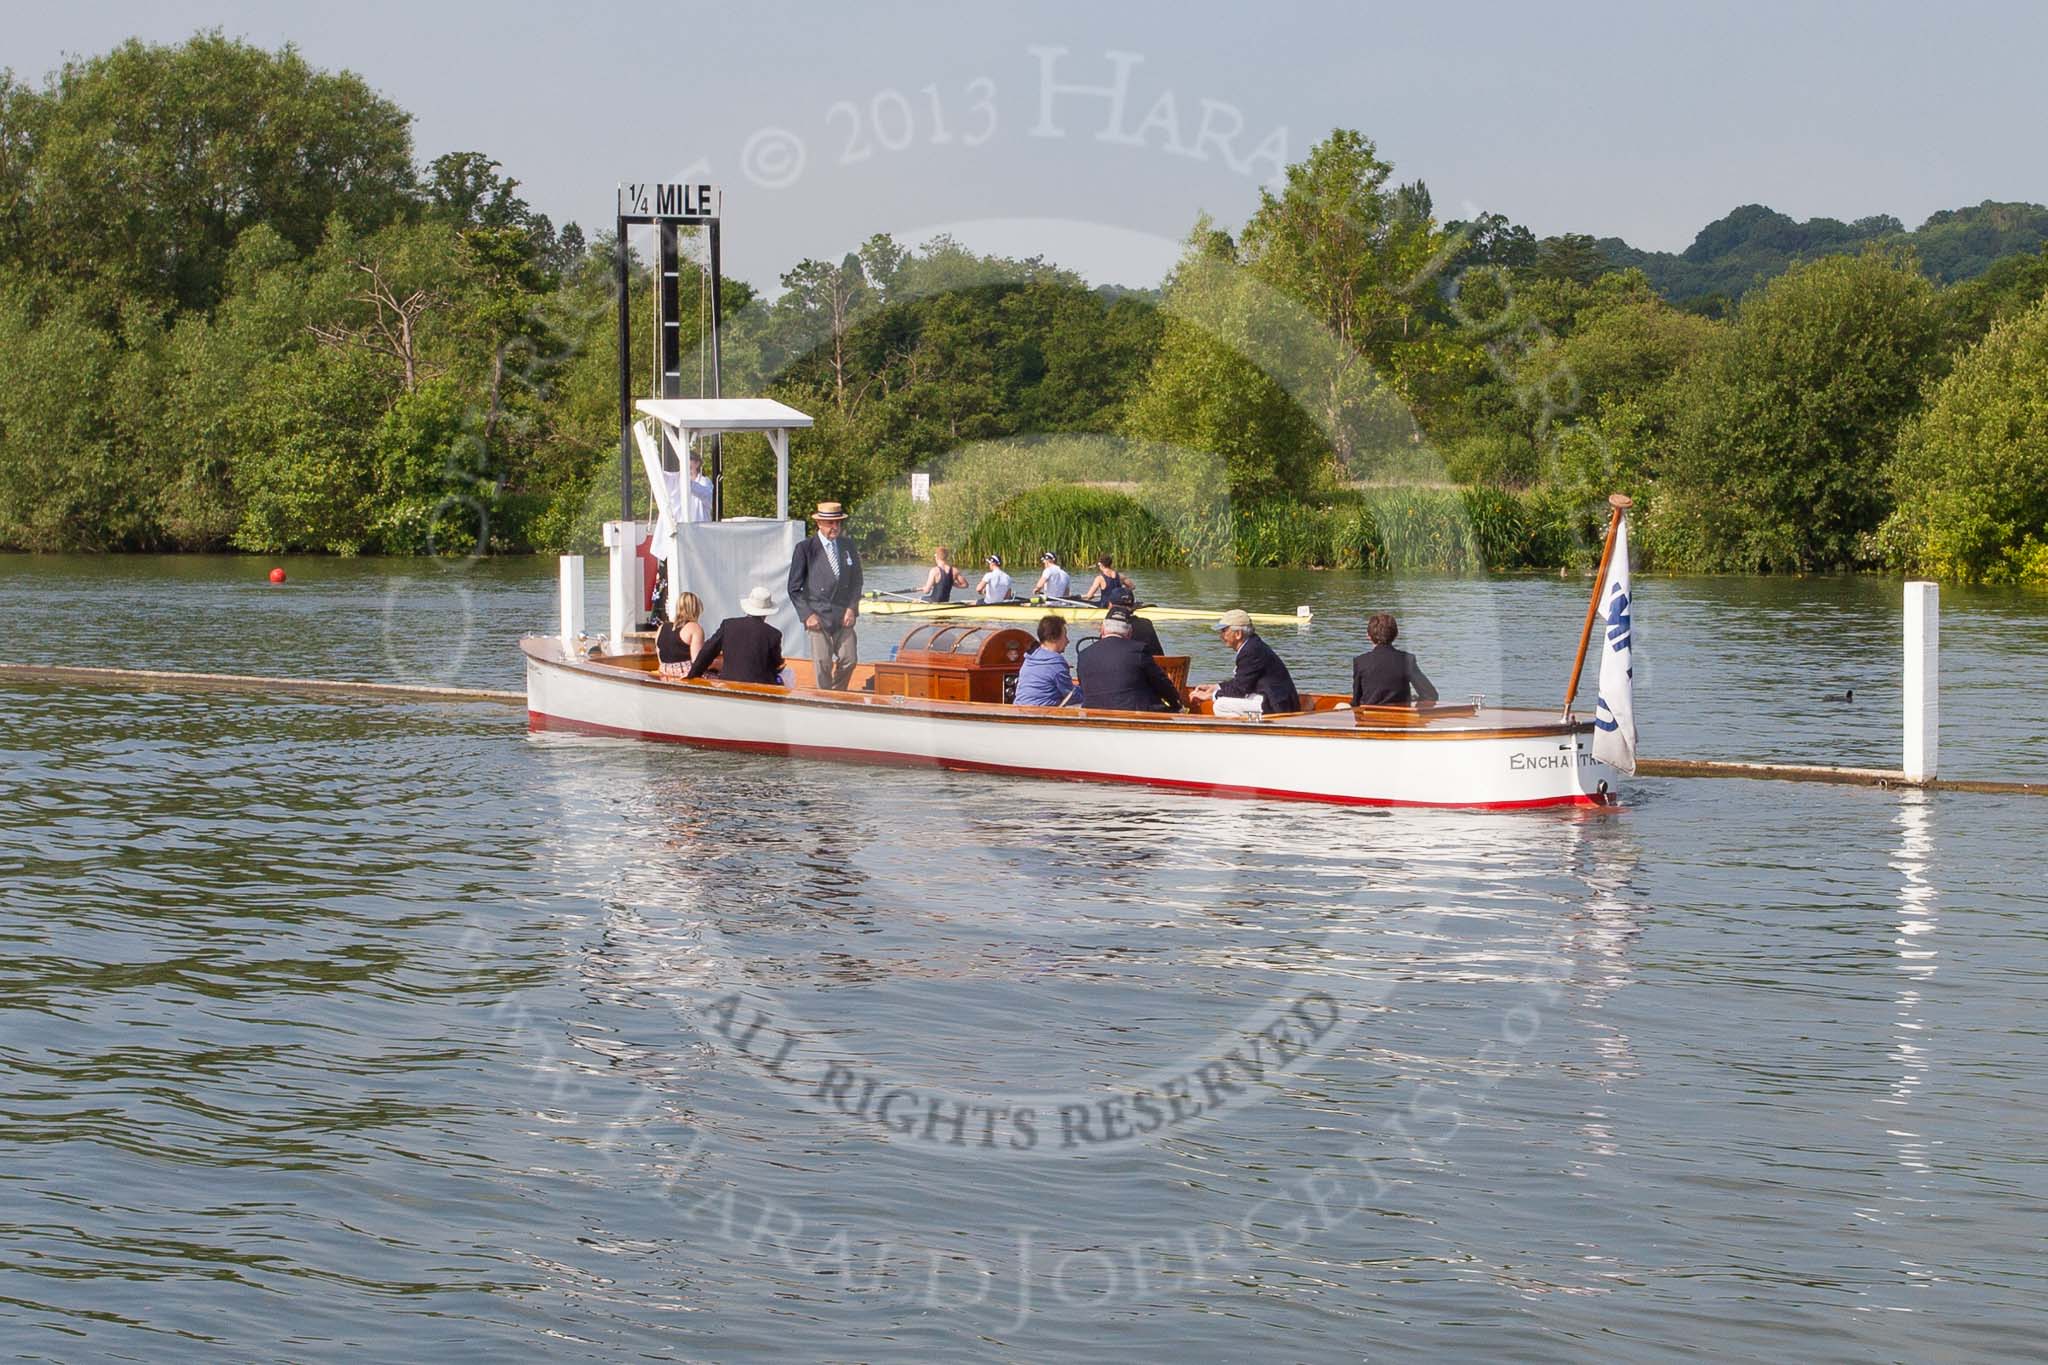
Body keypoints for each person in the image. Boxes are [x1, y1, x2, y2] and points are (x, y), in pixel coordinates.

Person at [787, 501, 864, 690]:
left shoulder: (848, 545)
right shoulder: (805, 549)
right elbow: (794, 588)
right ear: (819, 523)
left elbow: (857, 581)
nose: (835, 527)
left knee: (849, 659)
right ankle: (825, 699)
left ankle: (837, 694)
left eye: (838, 523)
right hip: (817, 615)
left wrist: (851, 608)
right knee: (822, 663)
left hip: (843, 615)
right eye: (831, 524)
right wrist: (807, 615)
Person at [1191, 608, 1300, 714]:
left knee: (1220, 705)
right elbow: (1242, 682)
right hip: (1276, 701)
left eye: (1224, 631)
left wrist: (1211, 695)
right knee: (1226, 700)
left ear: (1238, 634)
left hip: (1276, 706)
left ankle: (1249, 731)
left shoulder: (1250, 651)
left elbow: (1239, 690)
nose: (1221, 636)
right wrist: (1216, 687)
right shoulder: (1252, 645)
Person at [1076, 607, 1183, 713]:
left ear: (1102, 629)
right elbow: (1161, 684)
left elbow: (1083, 687)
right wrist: (1176, 703)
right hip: (1137, 715)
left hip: (1093, 715)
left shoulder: (1083, 655)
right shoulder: (1140, 650)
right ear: (1129, 632)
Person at [688, 586, 786, 685]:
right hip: (761, 686)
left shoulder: (728, 625)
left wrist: (692, 675)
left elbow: (708, 650)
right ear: (766, 613)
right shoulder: (773, 634)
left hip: (729, 683)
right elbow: (776, 663)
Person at [1351, 612, 1438, 707]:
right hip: (1401, 717)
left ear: (1368, 636)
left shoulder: (1360, 661)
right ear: (1396, 635)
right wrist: (1414, 703)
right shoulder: (1407, 660)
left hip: (1369, 718)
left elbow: (1356, 702)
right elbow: (1430, 695)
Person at [1014, 614, 1083, 707]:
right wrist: (1091, 691)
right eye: (1065, 636)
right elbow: (1071, 696)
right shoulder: (1055, 662)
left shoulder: (1031, 658)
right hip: (1040, 713)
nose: (1068, 641)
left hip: (1019, 707)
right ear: (1054, 638)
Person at [655, 591, 706, 677]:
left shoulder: (662, 627)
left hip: (664, 672)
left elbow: (660, 655)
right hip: (685, 674)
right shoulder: (694, 628)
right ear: (696, 608)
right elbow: (697, 662)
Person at [684, 448, 715, 523]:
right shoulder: (679, 483)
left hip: (701, 529)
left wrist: (690, 484)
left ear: (697, 463)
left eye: (689, 459)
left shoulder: (704, 481)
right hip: (684, 528)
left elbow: (707, 496)